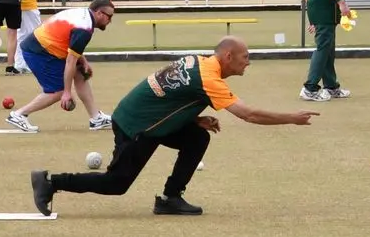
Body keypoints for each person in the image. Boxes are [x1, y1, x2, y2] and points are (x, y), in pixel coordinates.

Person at [30, 38, 319, 216]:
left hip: (143, 117)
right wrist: (292, 118)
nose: (249, 62)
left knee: (196, 137)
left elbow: (169, 95)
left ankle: (170, 198)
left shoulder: (199, 62)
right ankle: (52, 182)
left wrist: (192, 119)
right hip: (137, 126)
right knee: (116, 184)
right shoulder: (211, 79)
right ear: (228, 57)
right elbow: (249, 115)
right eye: (246, 57)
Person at [6, 0, 115, 133]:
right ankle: (19, 115)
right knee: (57, 92)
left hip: (46, 47)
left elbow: (71, 44)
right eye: (109, 16)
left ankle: (96, 118)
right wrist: (67, 93)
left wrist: (84, 61)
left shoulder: (84, 16)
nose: (110, 21)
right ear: (99, 13)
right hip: (39, 51)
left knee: (81, 72)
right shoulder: (84, 29)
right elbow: (70, 61)